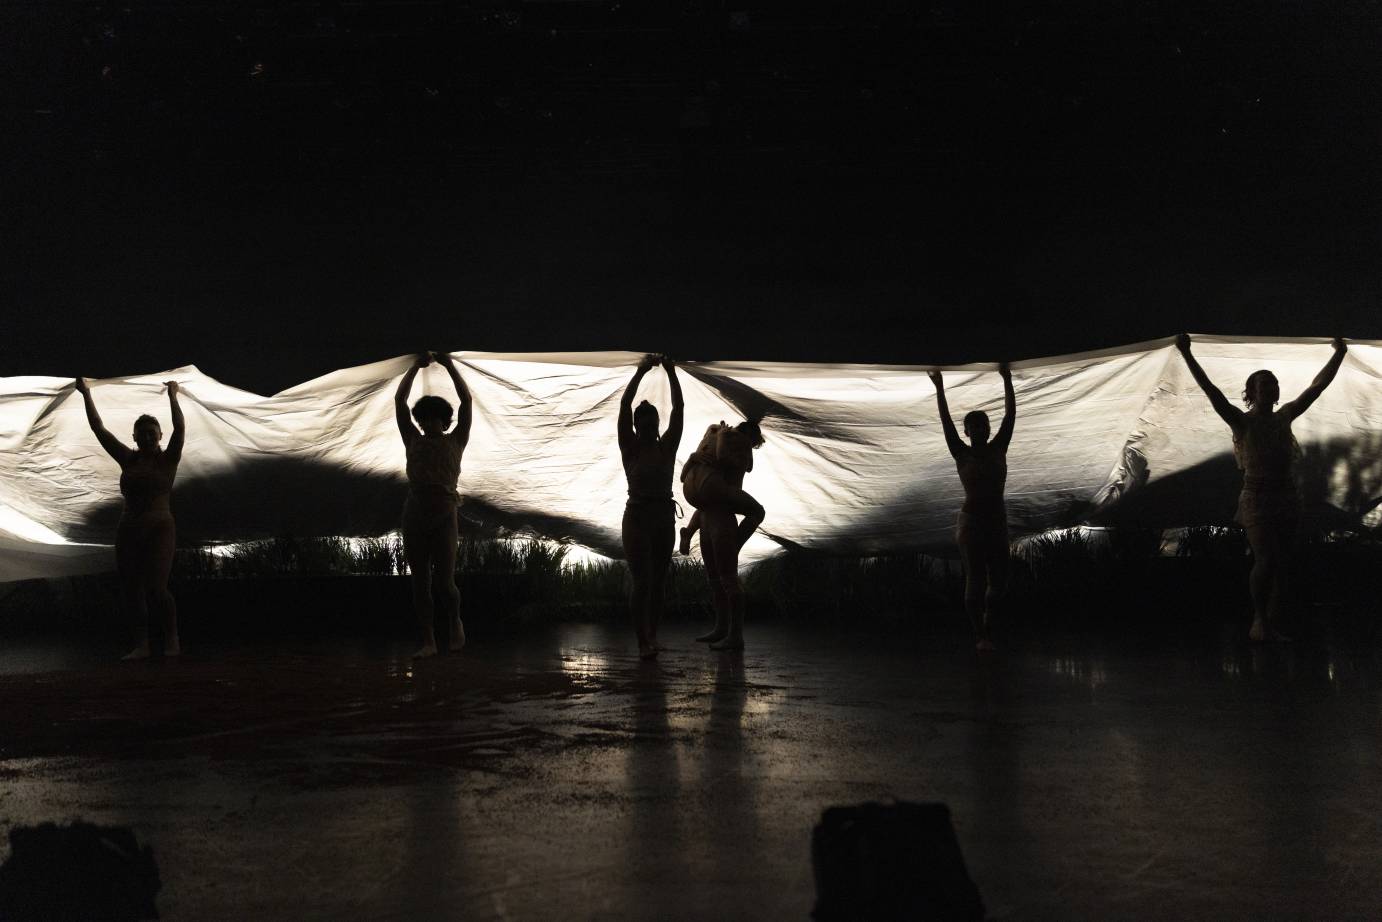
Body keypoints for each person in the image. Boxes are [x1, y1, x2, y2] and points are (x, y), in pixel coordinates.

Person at [1176, 333, 1347, 642]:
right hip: (1257, 498)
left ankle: (1272, 621)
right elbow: (1209, 390)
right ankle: (1259, 620)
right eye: (1265, 383)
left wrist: (1340, 353)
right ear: (1252, 392)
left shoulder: (1284, 417)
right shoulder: (1242, 422)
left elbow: (1317, 387)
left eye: (1274, 383)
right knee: (1265, 558)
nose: (1272, 387)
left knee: (1282, 561)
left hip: (1286, 495)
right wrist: (1186, 353)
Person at [75, 376, 185, 660]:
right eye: (142, 433)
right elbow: (99, 429)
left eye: (152, 432)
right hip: (129, 528)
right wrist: (85, 393)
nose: (148, 437)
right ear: (134, 437)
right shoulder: (128, 459)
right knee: (132, 589)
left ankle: (172, 641)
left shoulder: (168, 459)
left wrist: (173, 396)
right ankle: (142, 645)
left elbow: (180, 428)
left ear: (159, 436)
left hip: (160, 526)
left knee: (158, 589)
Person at [930, 364, 1015, 652]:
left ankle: (988, 625)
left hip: (997, 521)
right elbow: (945, 422)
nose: (979, 428)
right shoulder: (960, 452)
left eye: (983, 425)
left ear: (988, 430)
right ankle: (980, 634)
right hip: (972, 523)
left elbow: (1010, 416)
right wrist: (939, 387)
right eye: (974, 425)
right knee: (975, 580)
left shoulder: (999, 447)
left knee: (999, 581)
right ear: (967, 431)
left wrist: (1007, 379)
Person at [395, 351, 472, 658]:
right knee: (420, 581)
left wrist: (450, 365)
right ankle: (428, 640)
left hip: (445, 514)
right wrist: (414, 367)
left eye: (434, 418)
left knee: (445, 582)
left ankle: (455, 621)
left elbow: (466, 401)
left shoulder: (456, 440)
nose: (429, 424)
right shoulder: (413, 439)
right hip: (415, 513)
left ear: (444, 419)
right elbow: (400, 402)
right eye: (424, 419)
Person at [617, 354, 684, 659]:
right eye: (641, 420)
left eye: (650, 419)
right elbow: (623, 406)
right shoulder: (629, 447)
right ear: (635, 425)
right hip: (637, 516)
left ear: (656, 424)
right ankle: (642, 641)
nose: (645, 423)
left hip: (662, 517)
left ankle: (652, 636)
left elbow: (679, 409)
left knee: (658, 582)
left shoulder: (666, 447)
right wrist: (640, 371)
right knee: (642, 580)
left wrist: (671, 371)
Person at [681, 417, 766, 650]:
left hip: (719, 517)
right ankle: (722, 628)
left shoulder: (726, 442)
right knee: (717, 580)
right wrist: (695, 456)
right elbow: (722, 461)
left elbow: (737, 464)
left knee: (726, 579)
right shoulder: (725, 441)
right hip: (709, 513)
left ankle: (735, 636)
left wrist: (717, 440)